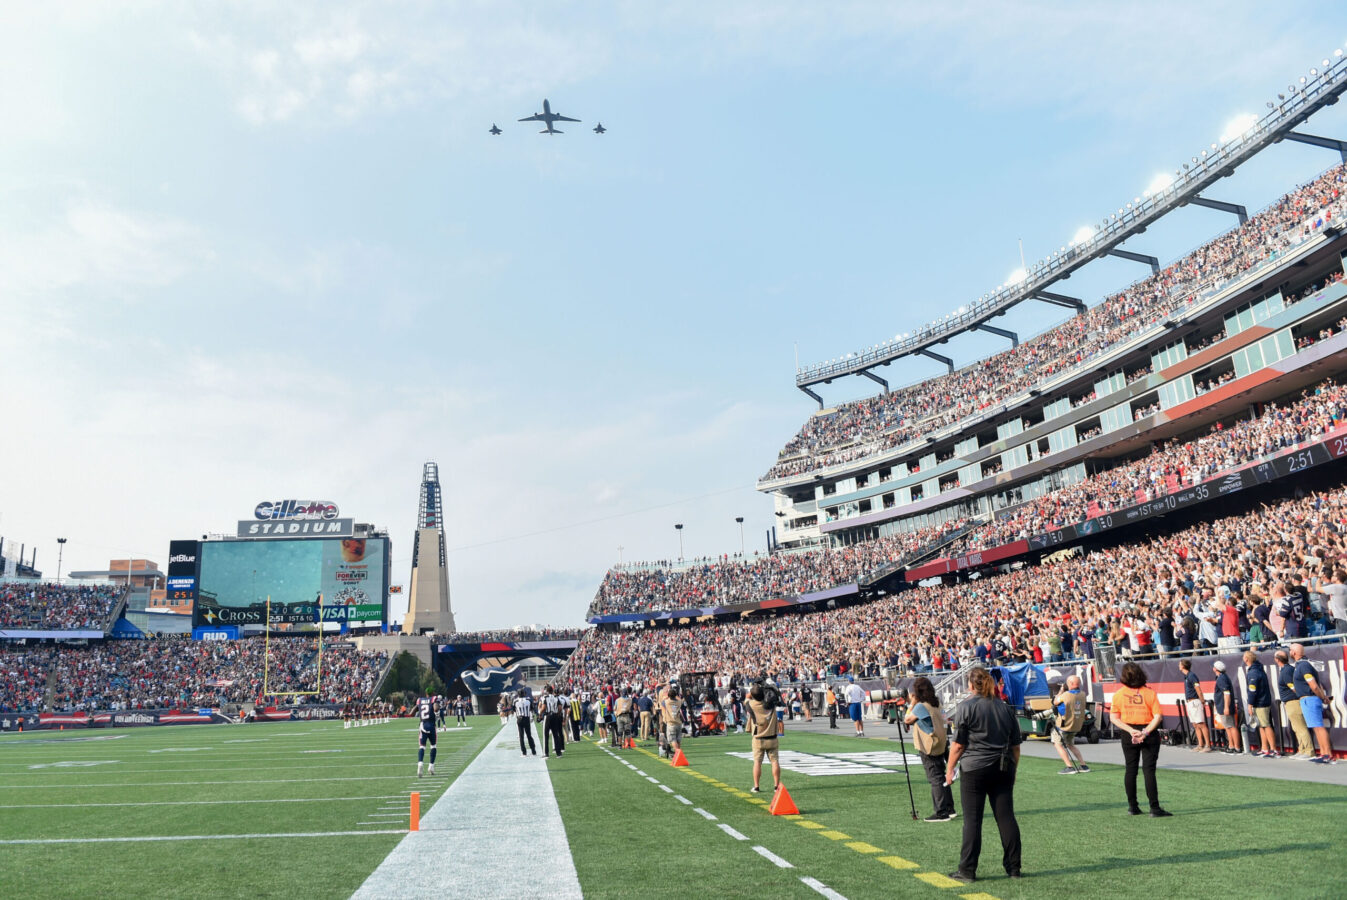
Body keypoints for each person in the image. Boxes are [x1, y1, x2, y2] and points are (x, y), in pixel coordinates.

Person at [944, 667, 1022, 884]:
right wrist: (1013, 770)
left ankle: (967, 870)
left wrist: (949, 769)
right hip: (1003, 766)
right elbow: (1016, 746)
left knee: (972, 820)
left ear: (970, 685)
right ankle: (1014, 867)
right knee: (1006, 818)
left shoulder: (966, 707)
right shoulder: (1005, 708)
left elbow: (958, 745)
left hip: (975, 768)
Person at [1111, 661, 1170, 818]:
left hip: (1128, 732)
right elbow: (1158, 716)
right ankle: (1154, 808)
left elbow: (1114, 717)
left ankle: (1133, 806)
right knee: (1148, 770)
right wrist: (1144, 732)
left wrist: (1131, 731)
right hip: (1147, 731)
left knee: (1131, 770)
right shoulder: (1149, 693)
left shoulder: (1119, 694)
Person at [905, 676, 955, 822]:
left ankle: (941, 812)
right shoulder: (937, 703)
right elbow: (945, 721)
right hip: (941, 742)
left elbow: (907, 719)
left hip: (929, 745)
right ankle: (949, 808)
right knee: (942, 776)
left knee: (935, 778)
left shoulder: (921, 706)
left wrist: (912, 702)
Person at [1290, 643, 1337, 764]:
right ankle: (1323, 753)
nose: (1290, 652)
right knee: (1316, 728)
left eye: (1290, 650)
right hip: (1308, 699)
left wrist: (1323, 698)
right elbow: (1317, 685)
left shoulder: (1304, 666)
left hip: (1310, 699)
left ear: (1294, 653)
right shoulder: (1302, 665)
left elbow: (1314, 686)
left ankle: (1328, 754)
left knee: (1318, 727)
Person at [1275, 649, 1314, 759]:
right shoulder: (1287, 670)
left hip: (1293, 702)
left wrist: (1299, 697)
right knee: (1297, 728)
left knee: (1300, 727)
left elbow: (1294, 688)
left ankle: (1308, 751)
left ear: (1277, 660)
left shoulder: (1286, 671)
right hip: (1292, 702)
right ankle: (1302, 750)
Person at [745, 680, 781, 793]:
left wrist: (752, 693)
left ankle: (756, 786)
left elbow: (747, 698)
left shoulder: (751, 705)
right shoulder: (771, 703)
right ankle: (776, 786)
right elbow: (775, 693)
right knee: (775, 761)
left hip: (758, 738)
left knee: (757, 762)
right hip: (772, 737)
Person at [1052, 675, 1090, 773]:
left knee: (1057, 744)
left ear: (1071, 684)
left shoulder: (1065, 695)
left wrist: (1061, 691)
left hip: (1064, 725)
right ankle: (1083, 765)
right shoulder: (1083, 694)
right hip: (1076, 725)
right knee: (1070, 745)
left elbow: (1055, 702)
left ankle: (1069, 767)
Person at [1243, 650, 1277, 758]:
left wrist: (1250, 704)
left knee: (1266, 725)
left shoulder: (1253, 672)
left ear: (1246, 659)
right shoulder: (1258, 669)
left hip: (1261, 703)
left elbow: (1252, 690)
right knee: (1261, 726)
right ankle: (1264, 748)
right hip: (1261, 701)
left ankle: (1273, 749)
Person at [1179, 658, 1211, 752]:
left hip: (1195, 702)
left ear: (1183, 666)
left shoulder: (1192, 676)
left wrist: (1202, 700)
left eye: (1179, 664)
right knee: (1195, 725)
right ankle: (1200, 745)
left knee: (1201, 724)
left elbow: (1198, 689)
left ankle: (1208, 746)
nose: (1178, 666)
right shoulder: (1186, 677)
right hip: (1189, 703)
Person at [1211, 661, 1241, 754]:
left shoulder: (1221, 679)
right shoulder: (1222, 677)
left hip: (1225, 706)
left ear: (1215, 669)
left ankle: (1236, 747)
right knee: (1228, 727)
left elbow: (1226, 693)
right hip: (1223, 706)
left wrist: (1226, 707)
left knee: (1231, 726)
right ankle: (1231, 746)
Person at [540, 684, 566, 758]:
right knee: (555, 735)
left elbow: (544, 707)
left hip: (548, 716)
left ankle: (546, 753)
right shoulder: (556, 698)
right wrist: (557, 714)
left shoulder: (545, 697)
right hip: (555, 716)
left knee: (546, 735)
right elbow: (560, 708)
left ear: (547, 691)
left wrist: (540, 714)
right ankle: (558, 753)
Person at [415, 694, 438, 778]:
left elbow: (415, 710)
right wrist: (437, 710)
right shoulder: (433, 699)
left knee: (422, 747)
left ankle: (420, 763)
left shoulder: (420, 700)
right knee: (433, 746)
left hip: (422, 726)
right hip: (431, 726)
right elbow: (436, 708)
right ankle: (431, 766)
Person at [659, 684, 683, 759]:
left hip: (671, 723)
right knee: (678, 740)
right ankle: (678, 754)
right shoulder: (679, 702)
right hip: (678, 722)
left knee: (672, 739)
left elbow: (661, 703)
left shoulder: (666, 702)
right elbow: (679, 700)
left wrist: (666, 696)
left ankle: (677, 754)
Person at [514, 691, 538, 757]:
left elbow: (514, 709)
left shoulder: (515, 701)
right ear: (524, 694)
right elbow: (532, 708)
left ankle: (524, 753)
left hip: (519, 719)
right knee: (529, 735)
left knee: (521, 737)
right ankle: (533, 751)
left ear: (518, 694)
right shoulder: (528, 700)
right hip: (527, 719)